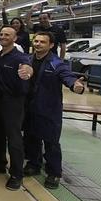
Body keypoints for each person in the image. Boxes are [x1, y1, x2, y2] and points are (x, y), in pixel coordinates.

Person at [23, 32, 85, 189]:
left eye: (42, 42)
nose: (37, 44)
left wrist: (75, 85)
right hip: (30, 107)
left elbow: (67, 76)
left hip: (49, 108)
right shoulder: (27, 59)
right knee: (31, 138)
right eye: (36, 41)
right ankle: (34, 164)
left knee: (51, 142)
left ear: (51, 45)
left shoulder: (56, 63)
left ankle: (54, 172)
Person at [0, 26, 33, 191]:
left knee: (14, 138)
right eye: (1, 34)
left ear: (15, 38)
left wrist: (27, 72)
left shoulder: (20, 57)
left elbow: (27, 68)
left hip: (13, 101)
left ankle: (16, 174)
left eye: (7, 34)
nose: (3, 36)